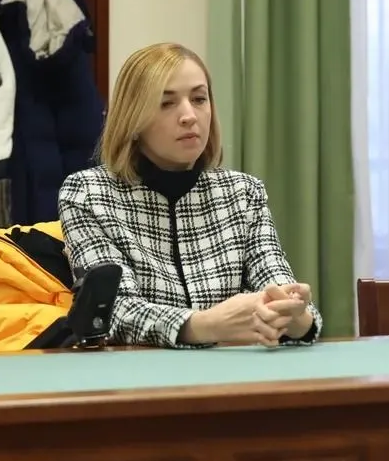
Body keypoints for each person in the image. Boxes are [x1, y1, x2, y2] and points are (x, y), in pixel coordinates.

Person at [58, 43, 322, 348]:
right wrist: (205, 325)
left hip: (237, 370)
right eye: (166, 103)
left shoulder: (243, 193)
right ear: (133, 119)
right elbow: (114, 312)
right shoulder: (87, 194)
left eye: (199, 99)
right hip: (139, 371)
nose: (189, 116)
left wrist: (295, 317)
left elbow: (277, 283)